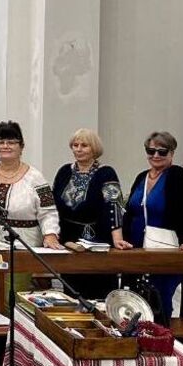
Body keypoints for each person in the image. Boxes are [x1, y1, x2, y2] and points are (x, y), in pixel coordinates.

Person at [118, 131, 183, 320]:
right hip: (137, 247)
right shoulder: (142, 177)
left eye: (162, 152)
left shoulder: (177, 176)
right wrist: (120, 240)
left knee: (158, 300)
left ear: (171, 153)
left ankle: (160, 341)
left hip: (163, 248)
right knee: (135, 301)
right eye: (151, 150)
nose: (156, 155)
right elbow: (130, 211)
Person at [52, 128, 126, 299]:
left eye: (84, 145)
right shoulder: (64, 171)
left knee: (98, 290)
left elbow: (114, 205)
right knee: (71, 292)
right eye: (75, 145)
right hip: (68, 240)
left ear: (94, 148)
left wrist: (118, 238)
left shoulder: (106, 172)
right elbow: (53, 205)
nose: (78, 149)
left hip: (97, 239)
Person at [0, 121, 61, 252]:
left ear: (21, 147)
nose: (5, 146)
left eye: (11, 142)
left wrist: (50, 234)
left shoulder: (37, 178)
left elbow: (48, 211)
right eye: (0, 142)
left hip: (24, 244)